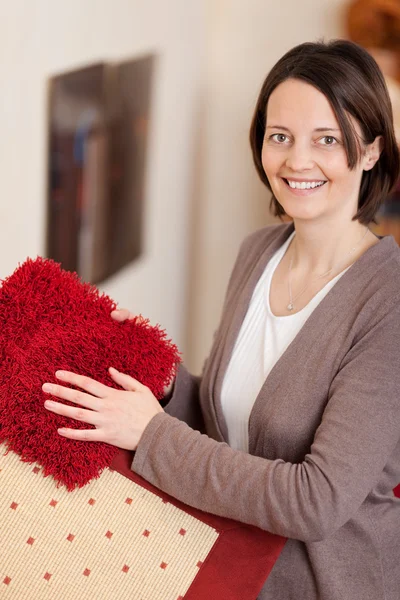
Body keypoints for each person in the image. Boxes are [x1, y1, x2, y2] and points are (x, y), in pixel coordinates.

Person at [42, 40, 400, 600]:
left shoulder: (389, 300)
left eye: (326, 140)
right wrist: (161, 378)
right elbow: (227, 420)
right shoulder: (259, 252)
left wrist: (151, 435)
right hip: (223, 566)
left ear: (373, 150)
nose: (296, 161)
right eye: (279, 136)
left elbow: (317, 501)